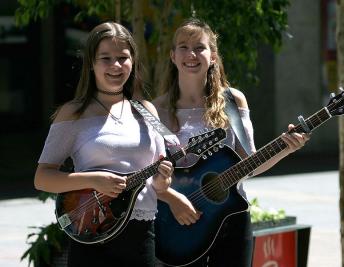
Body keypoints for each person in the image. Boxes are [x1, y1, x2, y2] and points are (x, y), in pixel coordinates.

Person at [152, 18, 310, 267]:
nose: (191, 54)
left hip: (231, 217)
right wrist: (173, 199)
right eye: (183, 46)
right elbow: (147, 172)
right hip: (176, 220)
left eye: (199, 47)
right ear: (172, 56)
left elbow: (250, 163)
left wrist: (285, 148)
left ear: (213, 56)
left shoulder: (233, 101)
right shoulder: (156, 110)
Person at [34, 22, 173, 267]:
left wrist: (163, 179)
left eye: (123, 57)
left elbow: (160, 184)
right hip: (90, 234)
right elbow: (42, 178)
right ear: (91, 63)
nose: (116, 66)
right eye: (106, 58)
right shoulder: (73, 113)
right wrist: (93, 179)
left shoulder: (147, 111)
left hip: (141, 236)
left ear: (133, 61)